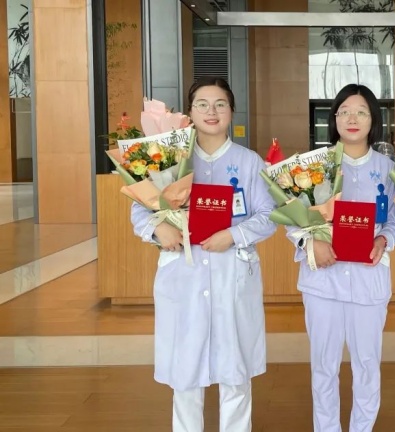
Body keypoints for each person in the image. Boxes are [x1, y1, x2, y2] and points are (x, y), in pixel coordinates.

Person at [130, 76, 276, 432]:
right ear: (190, 113)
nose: (212, 111)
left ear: (232, 111)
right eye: (202, 105)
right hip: (184, 273)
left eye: (220, 104)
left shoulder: (249, 162)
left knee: (235, 373)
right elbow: (140, 209)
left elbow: (269, 215)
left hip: (233, 272)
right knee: (186, 374)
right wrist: (158, 229)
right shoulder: (169, 161)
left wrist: (233, 235)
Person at [287, 83, 395, 432]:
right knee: (324, 366)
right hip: (323, 281)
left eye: (361, 112)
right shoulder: (312, 166)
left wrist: (384, 238)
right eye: (345, 112)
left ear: (374, 119)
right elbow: (291, 215)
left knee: (367, 364)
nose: (353, 119)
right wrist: (310, 241)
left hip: (368, 280)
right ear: (333, 118)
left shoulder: (389, 168)